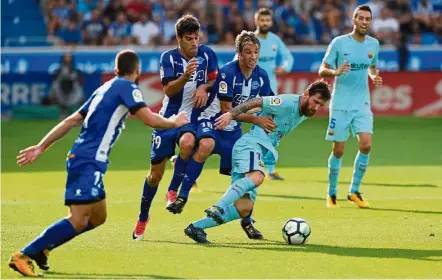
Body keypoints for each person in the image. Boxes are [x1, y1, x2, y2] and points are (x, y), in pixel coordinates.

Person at [8, 49, 188, 277]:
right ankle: (23, 255)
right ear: (138, 71)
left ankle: (42, 250)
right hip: (87, 160)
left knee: (97, 217)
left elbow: (72, 120)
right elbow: (149, 119)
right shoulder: (126, 87)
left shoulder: (104, 89)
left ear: (115, 70)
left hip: (88, 160)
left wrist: (41, 146)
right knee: (78, 218)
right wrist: (174, 122)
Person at [184, 80, 331, 243]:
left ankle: (196, 227)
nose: (316, 108)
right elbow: (257, 102)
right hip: (251, 145)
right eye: (315, 102)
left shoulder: (304, 112)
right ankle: (218, 207)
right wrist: (231, 114)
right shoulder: (288, 102)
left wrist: (247, 222)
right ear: (305, 94)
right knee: (257, 177)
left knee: (244, 208)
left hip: (257, 150)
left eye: (320, 105)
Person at [165, 31, 275, 225]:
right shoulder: (228, 73)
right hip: (212, 120)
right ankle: (182, 196)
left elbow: (269, 103)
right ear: (239, 53)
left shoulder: (262, 76)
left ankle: (247, 220)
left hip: (233, 130)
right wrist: (257, 120)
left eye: (256, 52)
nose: (253, 56)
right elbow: (227, 111)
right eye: (248, 52)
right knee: (206, 144)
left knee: (248, 172)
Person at [132, 14, 218, 241]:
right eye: (189, 38)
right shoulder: (168, 58)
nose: (194, 43)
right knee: (153, 176)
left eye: (196, 38)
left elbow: (215, 80)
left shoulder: (207, 54)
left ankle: (173, 190)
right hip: (168, 118)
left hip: (190, 119)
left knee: (189, 143)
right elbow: (169, 91)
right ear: (178, 39)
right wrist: (186, 76)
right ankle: (143, 217)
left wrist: (204, 88)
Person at [318, 5, 383, 209]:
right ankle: (332, 193)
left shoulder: (374, 44)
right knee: (339, 149)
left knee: (366, 144)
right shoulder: (339, 43)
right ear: (353, 20)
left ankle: (354, 190)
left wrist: (374, 76)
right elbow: (322, 70)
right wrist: (336, 73)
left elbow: (372, 67)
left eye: (368, 19)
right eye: (361, 18)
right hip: (340, 104)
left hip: (362, 103)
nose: (364, 22)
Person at [253, 7, 294, 181]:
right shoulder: (250, 39)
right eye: (262, 20)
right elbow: (236, 60)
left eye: (267, 20)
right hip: (251, 92)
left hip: (271, 93)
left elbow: (289, 56)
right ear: (256, 21)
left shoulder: (275, 40)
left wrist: (285, 67)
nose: (265, 23)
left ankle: (270, 169)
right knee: (247, 128)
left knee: (269, 129)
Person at [45, 53, 84, 118]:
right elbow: (54, 82)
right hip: (61, 91)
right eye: (66, 56)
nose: (68, 58)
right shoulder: (59, 70)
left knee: (79, 93)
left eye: (69, 57)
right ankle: (63, 112)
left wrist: (74, 79)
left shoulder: (75, 70)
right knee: (55, 88)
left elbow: (80, 82)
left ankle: (81, 114)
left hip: (73, 91)